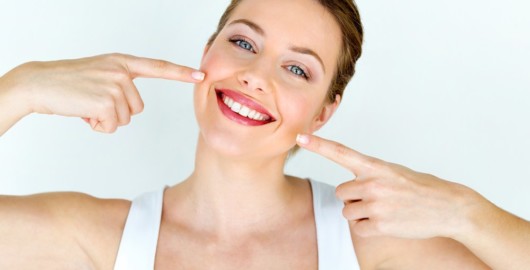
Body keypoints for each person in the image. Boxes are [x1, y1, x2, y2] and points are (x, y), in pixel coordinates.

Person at [1, 0, 529, 269]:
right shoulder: (101, 239)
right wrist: (19, 89)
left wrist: (467, 212)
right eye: (243, 43)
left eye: (298, 69)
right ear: (206, 53)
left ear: (324, 112)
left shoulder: (370, 243)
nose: (256, 75)